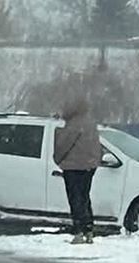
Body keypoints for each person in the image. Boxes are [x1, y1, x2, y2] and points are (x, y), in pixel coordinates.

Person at [54, 94, 102, 244]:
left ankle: (78, 231)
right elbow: (97, 146)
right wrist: (94, 162)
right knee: (84, 197)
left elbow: (63, 145)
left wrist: (57, 158)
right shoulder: (91, 124)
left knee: (75, 199)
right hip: (88, 166)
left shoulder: (73, 125)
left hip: (73, 166)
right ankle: (89, 230)